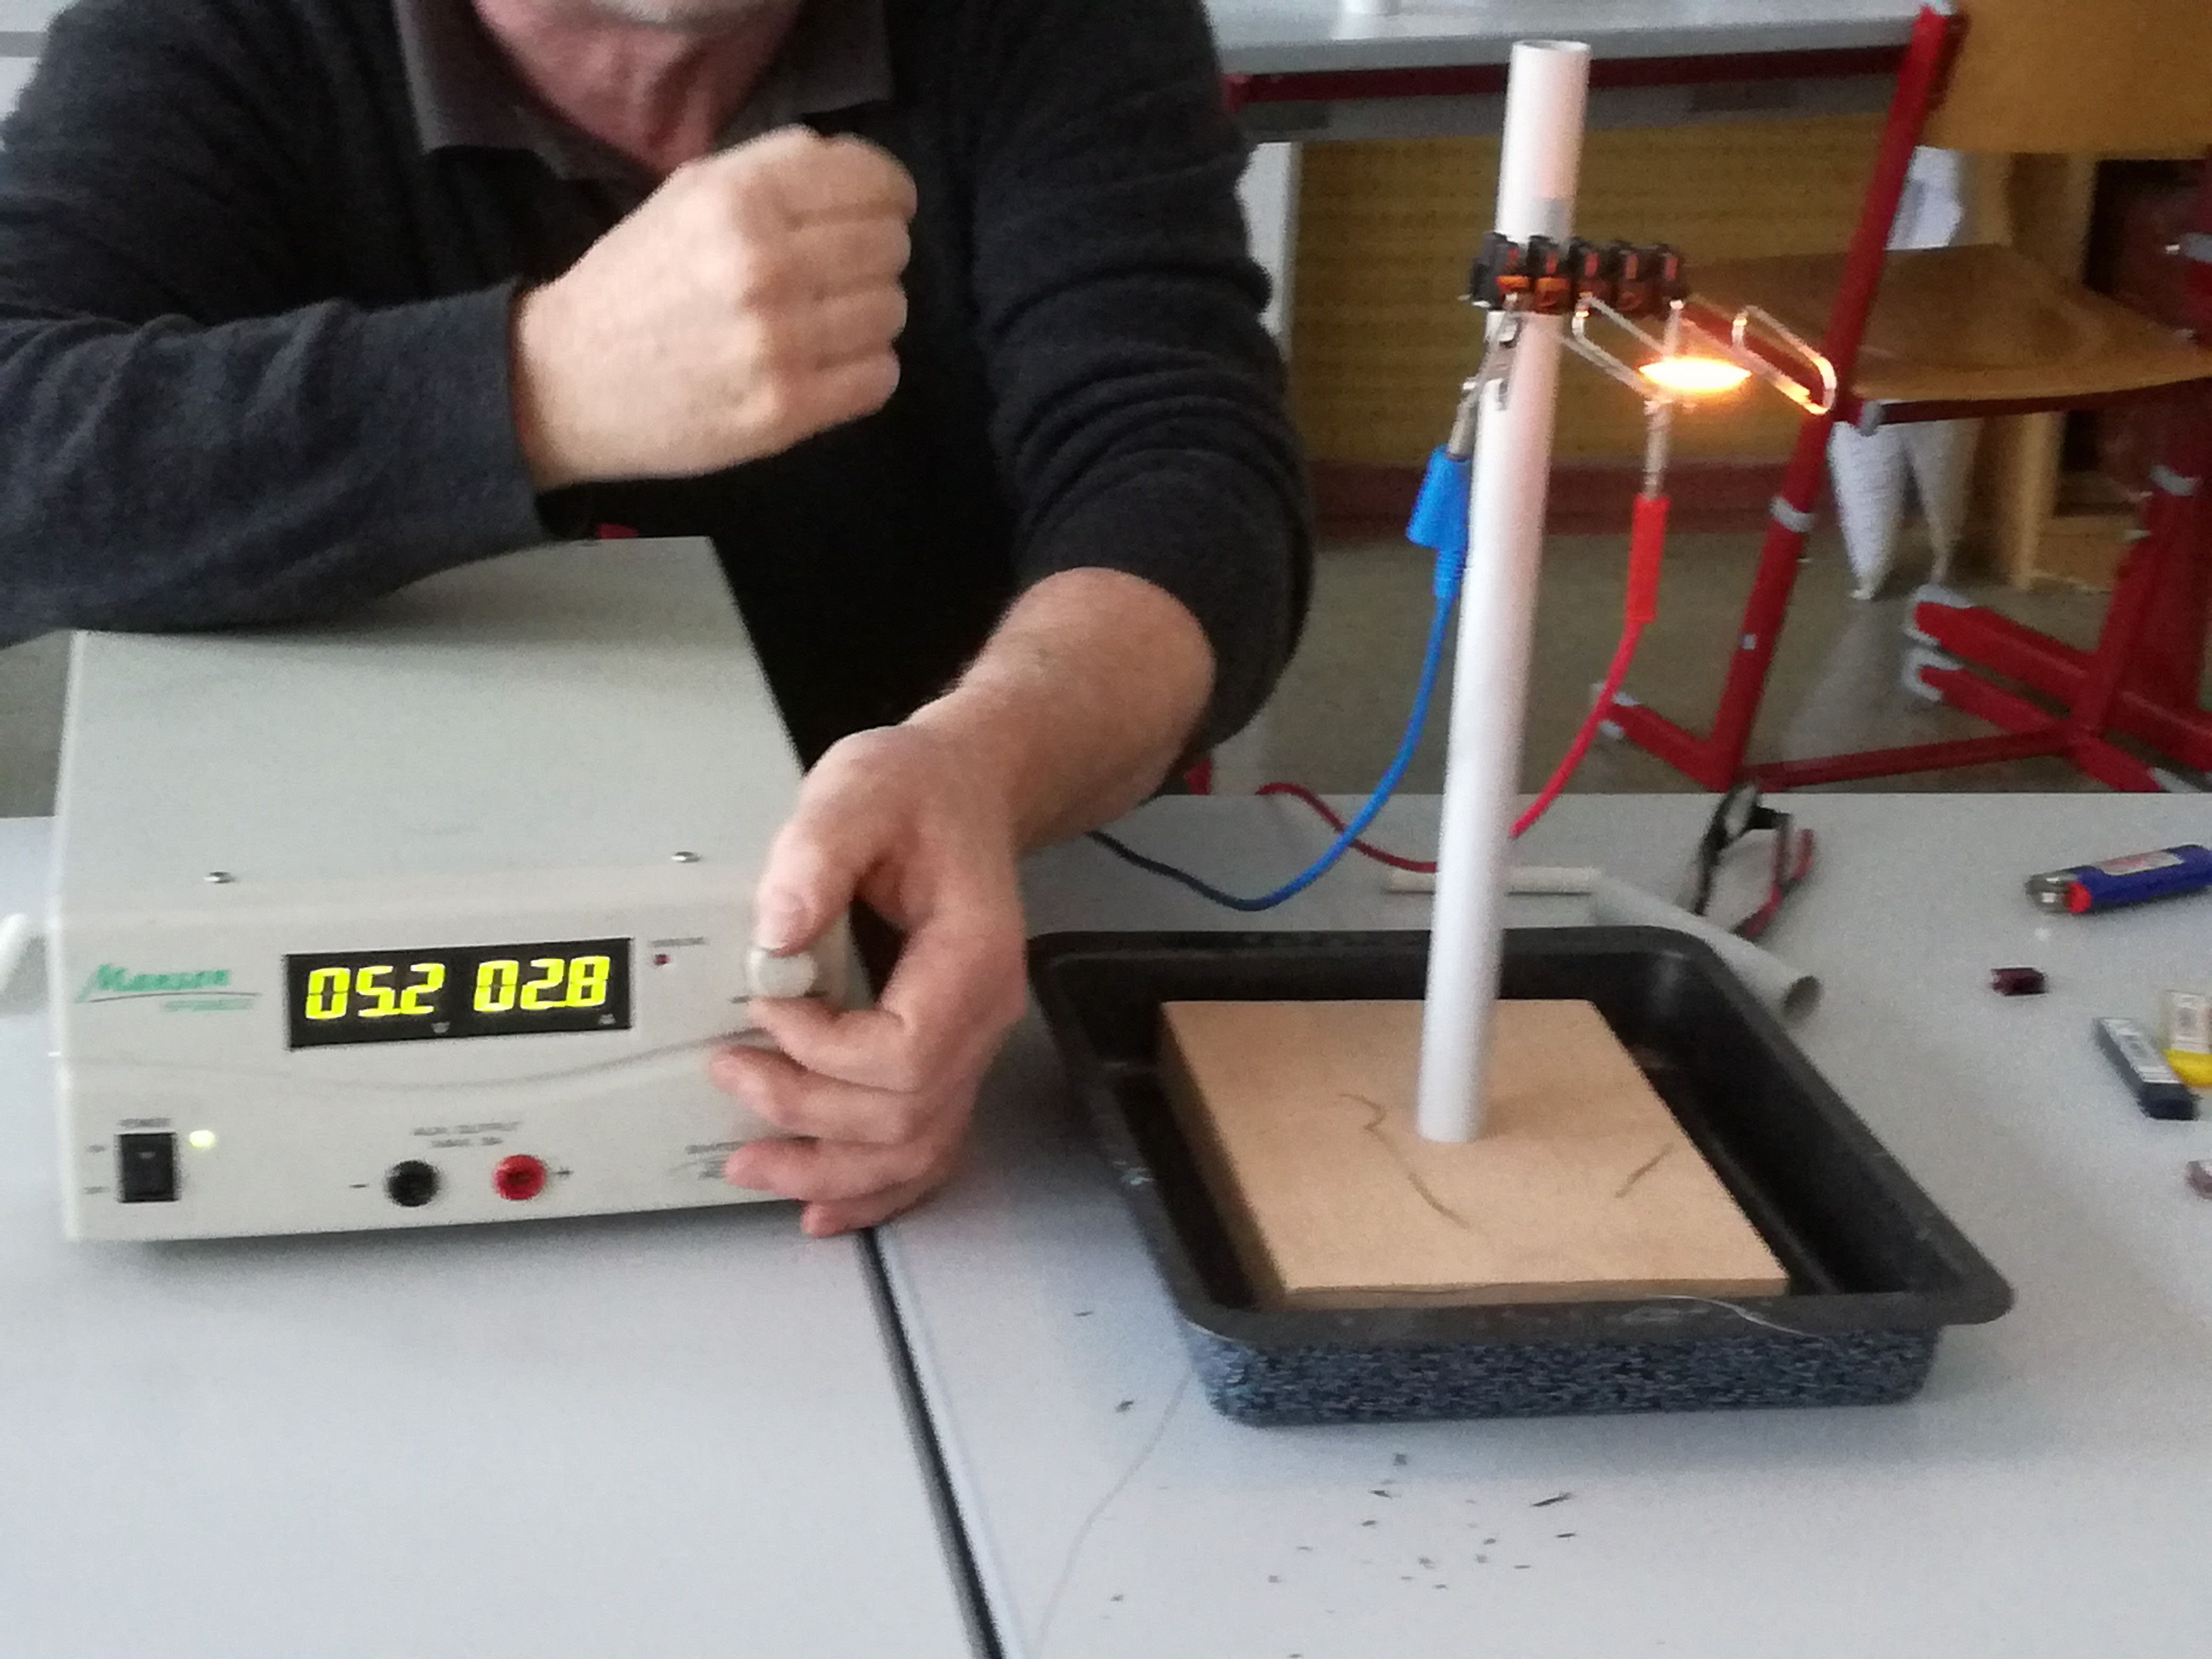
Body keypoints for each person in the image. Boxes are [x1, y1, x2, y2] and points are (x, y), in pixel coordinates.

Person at [0, 0, 1310, 1235]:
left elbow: (1184, 472)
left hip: (916, 993)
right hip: (304, 985)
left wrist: (991, 758)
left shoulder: (1055, 25)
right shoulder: (218, 32)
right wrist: (532, 387)